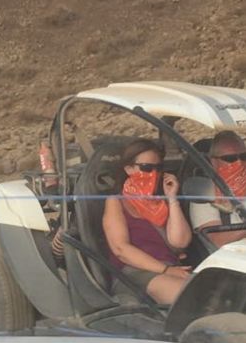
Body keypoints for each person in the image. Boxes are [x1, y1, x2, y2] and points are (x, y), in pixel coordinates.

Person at [103, 138, 193, 305]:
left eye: (158, 168)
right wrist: (165, 270)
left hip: (171, 269)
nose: (153, 174)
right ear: (129, 169)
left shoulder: (161, 202)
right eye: (146, 168)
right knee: (191, 298)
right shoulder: (116, 201)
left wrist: (172, 198)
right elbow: (120, 249)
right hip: (135, 273)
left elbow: (181, 242)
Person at [189, 130, 246, 247]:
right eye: (230, 158)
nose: (239, 162)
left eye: (244, 156)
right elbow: (217, 240)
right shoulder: (205, 193)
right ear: (214, 161)